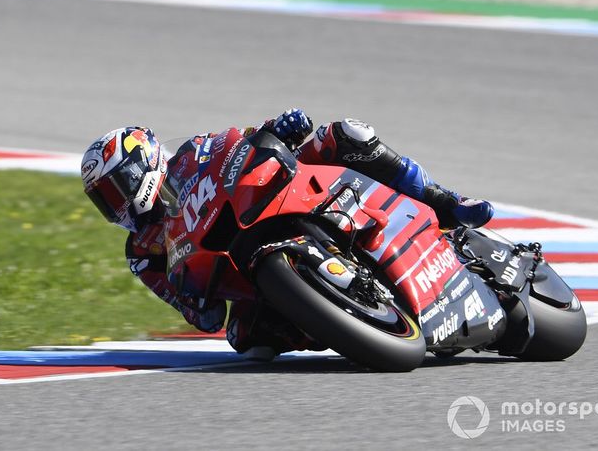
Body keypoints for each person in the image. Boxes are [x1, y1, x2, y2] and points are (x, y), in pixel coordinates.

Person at [81, 109, 493, 359]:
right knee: (247, 341)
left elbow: (242, 144)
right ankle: (339, 318)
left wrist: (280, 126)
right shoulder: (142, 252)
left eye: (115, 188)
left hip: (273, 200)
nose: (114, 206)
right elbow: (203, 319)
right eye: (104, 199)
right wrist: (191, 296)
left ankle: (447, 202)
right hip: (238, 269)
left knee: (346, 134)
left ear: (144, 165)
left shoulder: (193, 153)